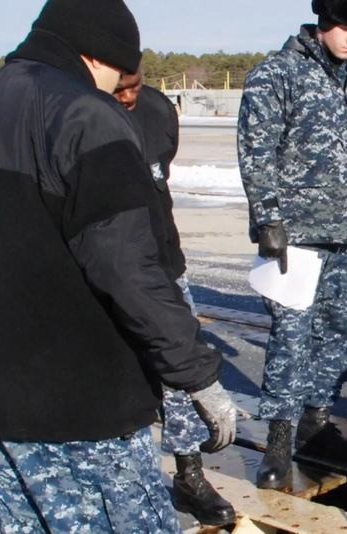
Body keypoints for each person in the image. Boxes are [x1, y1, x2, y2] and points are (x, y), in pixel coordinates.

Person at [0, 0, 237, 531]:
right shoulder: (85, 115)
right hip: (83, 409)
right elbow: (127, 268)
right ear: (98, 54)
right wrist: (197, 374)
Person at [238, 0, 347, 490]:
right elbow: (256, 149)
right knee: (291, 337)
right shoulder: (278, 74)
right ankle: (278, 440)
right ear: (324, 23)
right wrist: (267, 218)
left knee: (343, 332)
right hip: (297, 237)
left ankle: (315, 424)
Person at [114, 72, 236, 525]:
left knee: (178, 371)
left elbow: (158, 179)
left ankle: (189, 475)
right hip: (106, 266)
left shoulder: (157, 110)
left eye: (134, 84)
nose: (128, 96)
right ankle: (125, 479)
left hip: (164, 264)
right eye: (119, 88)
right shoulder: (79, 112)